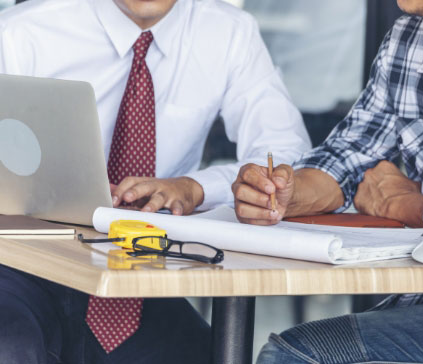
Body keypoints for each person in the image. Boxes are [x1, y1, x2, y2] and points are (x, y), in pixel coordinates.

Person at [233, 0, 423, 362]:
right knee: (294, 354)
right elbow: (348, 155)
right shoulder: (408, 37)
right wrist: (285, 192)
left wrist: (400, 205)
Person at [0, 0, 310, 363]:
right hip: (24, 266)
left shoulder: (228, 32)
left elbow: (288, 153)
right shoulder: (20, 31)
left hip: (139, 275)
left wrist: (194, 187)